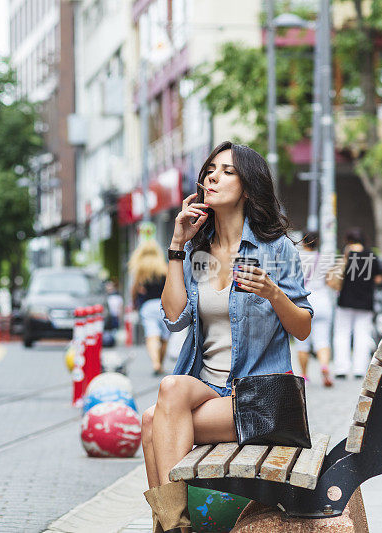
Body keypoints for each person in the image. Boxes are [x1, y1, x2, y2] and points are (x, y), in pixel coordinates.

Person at [140, 141, 313, 533]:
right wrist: (177, 245)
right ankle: (175, 525)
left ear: (249, 188)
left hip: (261, 397)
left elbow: (302, 328)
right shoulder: (198, 251)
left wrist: (272, 292)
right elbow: (173, 319)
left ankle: (170, 527)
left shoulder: (275, 249)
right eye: (210, 170)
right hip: (209, 389)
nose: (213, 177)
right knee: (168, 391)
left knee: (153, 422)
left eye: (228, 171)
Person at [328, 228, 382, 379]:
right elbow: (378, 279)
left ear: (348, 239)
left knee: (342, 334)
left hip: (345, 300)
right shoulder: (372, 255)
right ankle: (359, 369)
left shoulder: (346, 254)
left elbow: (338, 275)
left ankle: (341, 369)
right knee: (362, 335)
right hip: (365, 302)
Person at [296, 231, 335, 387]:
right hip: (323, 301)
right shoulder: (325, 259)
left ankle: (304, 375)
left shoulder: (296, 257)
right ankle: (324, 366)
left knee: (302, 342)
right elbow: (331, 281)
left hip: (304, 302)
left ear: (303, 242)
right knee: (323, 340)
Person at [128, 241, 170, 374]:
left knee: (152, 335)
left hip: (147, 306)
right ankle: (160, 363)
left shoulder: (140, 269)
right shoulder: (164, 267)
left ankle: (155, 363)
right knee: (164, 337)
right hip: (164, 305)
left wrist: (134, 303)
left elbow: (134, 290)